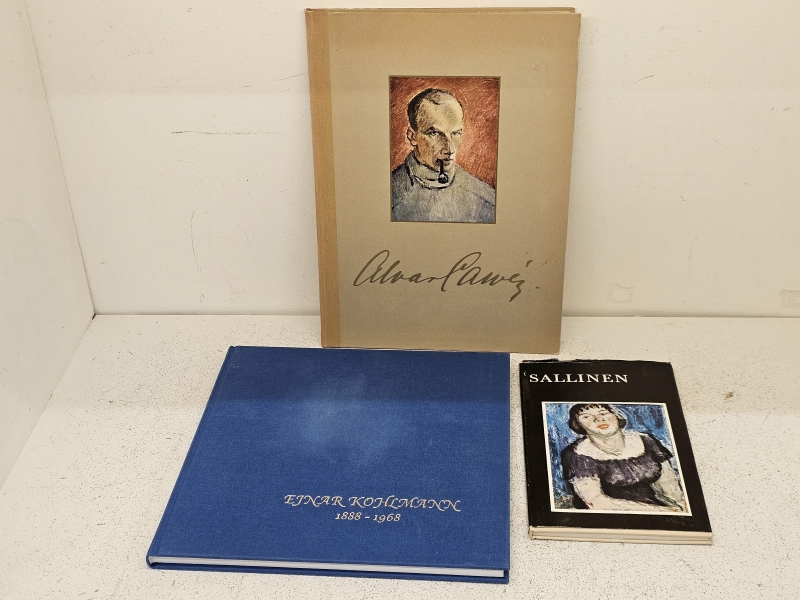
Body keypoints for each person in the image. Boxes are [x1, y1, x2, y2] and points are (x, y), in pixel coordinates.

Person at [391, 88, 496, 223]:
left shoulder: (487, 200)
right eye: (434, 133)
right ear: (412, 136)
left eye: (455, 133)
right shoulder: (389, 196)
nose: (449, 148)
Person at [560, 403, 687, 512]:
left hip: (657, 507)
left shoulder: (646, 440)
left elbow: (671, 489)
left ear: (616, 415)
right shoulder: (577, 454)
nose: (598, 419)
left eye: (603, 413)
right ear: (577, 424)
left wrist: (681, 508)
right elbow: (596, 502)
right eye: (586, 417)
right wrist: (661, 511)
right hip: (609, 515)